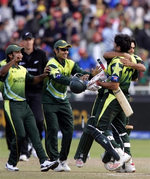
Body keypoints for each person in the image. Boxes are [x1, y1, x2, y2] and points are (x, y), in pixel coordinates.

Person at [74, 34, 142, 171]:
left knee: (98, 125)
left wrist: (100, 82)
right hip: (119, 97)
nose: (132, 50)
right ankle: (128, 163)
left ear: (117, 46)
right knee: (121, 130)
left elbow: (114, 84)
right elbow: (135, 72)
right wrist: (98, 77)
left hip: (113, 96)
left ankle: (118, 154)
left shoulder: (118, 61)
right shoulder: (126, 58)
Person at [42, 39, 98, 172]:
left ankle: (62, 160)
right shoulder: (51, 63)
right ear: (56, 51)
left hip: (63, 100)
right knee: (53, 130)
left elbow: (81, 73)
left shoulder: (70, 63)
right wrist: (74, 80)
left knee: (69, 130)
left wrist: (91, 75)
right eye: (62, 49)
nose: (66, 52)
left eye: (67, 49)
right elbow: (57, 77)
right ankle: (53, 160)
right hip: (49, 100)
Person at [0, 44, 58, 172]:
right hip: (12, 104)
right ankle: (11, 162)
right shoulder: (5, 68)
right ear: (10, 55)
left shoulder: (22, 69)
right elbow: (1, 73)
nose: (20, 54)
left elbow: (32, 80)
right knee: (20, 135)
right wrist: (12, 62)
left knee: (35, 134)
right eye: (17, 52)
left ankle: (44, 161)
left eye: (20, 52)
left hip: (24, 105)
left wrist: (43, 75)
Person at [19, 32, 48, 161]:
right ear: (22, 42)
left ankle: (36, 145)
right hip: (22, 92)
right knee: (23, 121)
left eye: (30, 39)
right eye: (26, 40)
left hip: (37, 92)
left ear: (33, 40)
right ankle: (24, 151)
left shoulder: (41, 54)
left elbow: (47, 71)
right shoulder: (18, 54)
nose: (28, 42)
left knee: (39, 120)